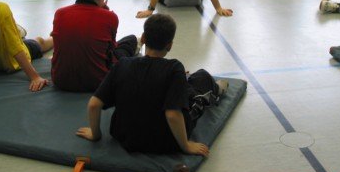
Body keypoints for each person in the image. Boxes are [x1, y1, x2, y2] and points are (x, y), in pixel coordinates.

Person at [75, 13, 228, 156]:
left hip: (123, 135)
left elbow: (94, 104)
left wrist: (95, 134)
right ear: (169, 45)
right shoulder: (174, 68)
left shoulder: (122, 64)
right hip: (165, 142)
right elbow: (172, 114)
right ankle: (216, 89)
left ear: (143, 38)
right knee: (202, 77)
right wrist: (185, 146)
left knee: (177, 84)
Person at [51, 0, 139, 92]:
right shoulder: (110, 17)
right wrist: (105, 12)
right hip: (97, 82)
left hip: (60, 80)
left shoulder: (60, 13)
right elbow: (111, 50)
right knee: (130, 40)